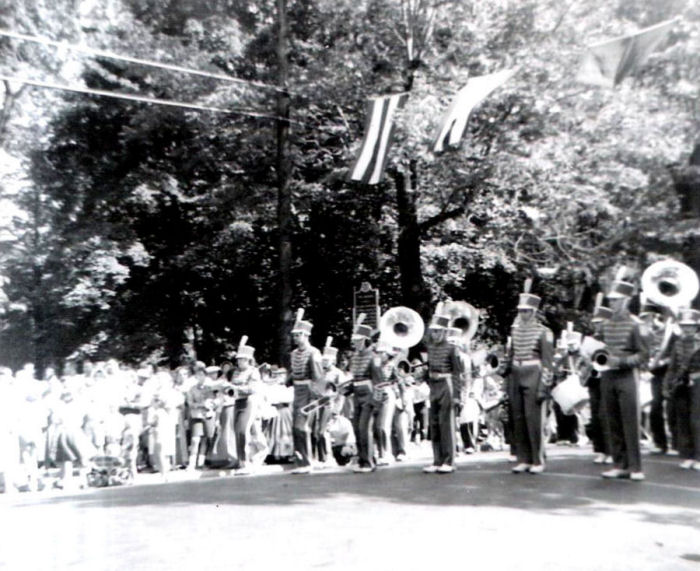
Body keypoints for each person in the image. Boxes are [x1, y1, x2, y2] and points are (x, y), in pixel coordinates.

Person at [599, 273, 648, 481]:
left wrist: (621, 361)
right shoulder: (605, 324)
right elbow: (599, 347)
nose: (612, 303)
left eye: (616, 300)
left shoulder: (636, 324)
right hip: (607, 375)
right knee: (612, 420)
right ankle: (619, 464)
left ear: (626, 301)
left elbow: (644, 354)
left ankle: (635, 467)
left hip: (627, 375)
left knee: (630, 421)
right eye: (611, 300)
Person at [504, 286, 554, 475]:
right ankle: (523, 458)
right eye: (521, 311)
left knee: (534, 420)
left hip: (534, 375)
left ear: (533, 312)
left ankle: (538, 459)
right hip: (516, 375)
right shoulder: (515, 331)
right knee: (518, 419)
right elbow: (510, 355)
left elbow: (548, 363)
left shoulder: (544, 332)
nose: (523, 314)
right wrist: (505, 371)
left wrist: (544, 387)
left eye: (526, 311)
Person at [423, 306, 466, 474]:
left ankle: (449, 460)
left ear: (444, 332)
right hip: (433, 385)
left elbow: (457, 373)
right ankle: (437, 459)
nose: (435, 334)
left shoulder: (452, 348)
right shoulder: (431, 348)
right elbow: (429, 368)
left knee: (446, 424)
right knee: (434, 424)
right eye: (433, 331)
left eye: (438, 331)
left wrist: (457, 395)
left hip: (446, 385)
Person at [287, 309, 324, 474]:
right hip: (297, 391)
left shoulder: (314, 352)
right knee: (295, 428)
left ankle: (307, 461)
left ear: (306, 335)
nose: (295, 338)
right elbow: (294, 373)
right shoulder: (294, 353)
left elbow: (318, 376)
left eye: (298, 335)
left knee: (301, 427)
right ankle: (301, 461)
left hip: (309, 392)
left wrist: (317, 396)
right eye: (294, 335)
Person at [663, 308, 700, 470]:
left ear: (696, 327)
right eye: (684, 326)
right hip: (680, 384)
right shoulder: (677, 344)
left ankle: (699, 456)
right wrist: (667, 384)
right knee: (682, 419)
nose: (687, 329)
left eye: (690, 326)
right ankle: (687, 455)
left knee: (696, 420)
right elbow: (672, 367)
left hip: (697, 382)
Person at [348, 318, 384, 473]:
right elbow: (355, 379)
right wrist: (347, 389)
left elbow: (379, 382)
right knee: (357, 428)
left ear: (365, 340)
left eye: (358, 340)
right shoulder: (354, 357)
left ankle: (368, 462)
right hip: (357, 396)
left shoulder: (374, 357)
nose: (355, 343)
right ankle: (364, 459)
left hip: (369, 395)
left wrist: (376, 402)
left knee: (364, 429)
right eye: (354, 340)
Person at [230, 338, 262, 475]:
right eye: (238, 359)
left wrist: (237, 388)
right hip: (238, 402)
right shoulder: (236, 372)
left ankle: (248, 461)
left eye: (242, 359)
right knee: (238, 432)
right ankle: (241, 462)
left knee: (243, 431)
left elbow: (252, 389)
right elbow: (233, 384)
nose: (239, 362)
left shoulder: (253, 371)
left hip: (249, 402)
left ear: (248, 360)